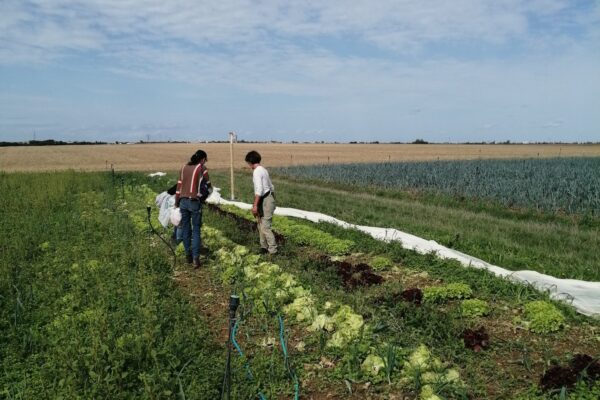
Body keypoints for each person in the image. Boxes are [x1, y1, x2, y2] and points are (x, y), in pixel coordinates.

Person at [175, 149, 211, 268]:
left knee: (186, 228)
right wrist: (205, 196)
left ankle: (187, 256)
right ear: (202, 159)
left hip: (183, 201)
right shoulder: (201, 168)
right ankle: (196, 258)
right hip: (194, 201)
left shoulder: (183, 167)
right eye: (205, 160)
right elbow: (208, 184)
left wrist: (176, 202)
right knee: (196, 230)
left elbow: (179, 186)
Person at [245, 150, 277, 255]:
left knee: (265, 227)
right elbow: (271, 186)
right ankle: (263, 247)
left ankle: (273, 251)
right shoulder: (263, 169)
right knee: (260, 224)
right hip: (266, 198)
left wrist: (255, 205)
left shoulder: (257, 171)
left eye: (248, 163)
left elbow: (259, 190)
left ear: (250, 162)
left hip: (266, 199)